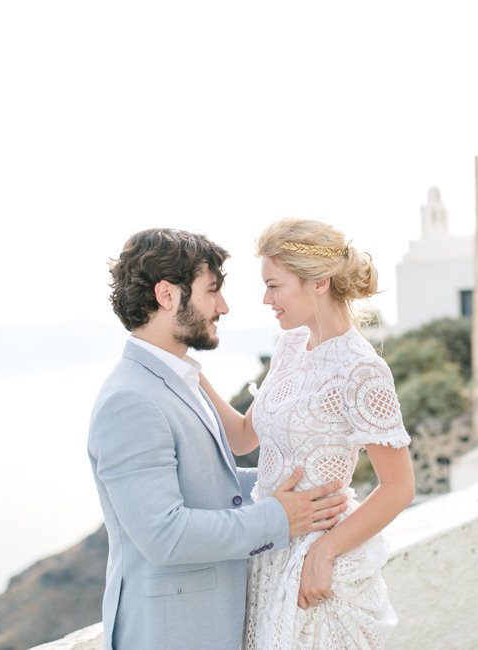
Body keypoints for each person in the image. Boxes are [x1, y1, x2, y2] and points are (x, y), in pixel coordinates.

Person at [87, 228, 349, 650]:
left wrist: (300, 485)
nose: (223, 307)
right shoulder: (130, 400)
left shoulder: (177, 378)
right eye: (212, 291)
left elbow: (207, 480)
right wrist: (279, 517)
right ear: (167, 295)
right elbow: (166, 535)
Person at [200, 218, 416, 649]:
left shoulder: (362, 369)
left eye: (274, 286)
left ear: (319, 283)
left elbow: (399, 487)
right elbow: (243, 438)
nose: (266, 299)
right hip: (269, 550)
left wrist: (325, 551)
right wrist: (190, 372)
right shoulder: (289, 345)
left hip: (318, 567)